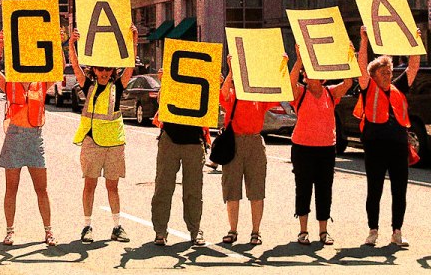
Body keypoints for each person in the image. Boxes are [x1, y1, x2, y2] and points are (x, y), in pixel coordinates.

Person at [68, 26, 137, 244]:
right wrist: (71, 44)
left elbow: (130, 67)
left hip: (115, 144)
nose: (104, 73)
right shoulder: (87, 84)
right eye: (100, 69)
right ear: (94, 70)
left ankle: (117, 227)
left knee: (112, 186)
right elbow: (76, 66)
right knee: (90, 185)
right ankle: (87, 225)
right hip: (92, 143)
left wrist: (133, 40)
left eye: (108, 69)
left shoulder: (118, 85)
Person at [355, 25, 420, 248]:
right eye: (383, 72)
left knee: (399, 189)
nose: (387, 75)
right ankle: (373, 230)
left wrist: (415, 43)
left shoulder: (398, 87)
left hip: (399, 146)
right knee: (375, 189)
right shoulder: (367, 86)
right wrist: (364, 40)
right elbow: (361, 65)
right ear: (373, 75)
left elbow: (413, 67)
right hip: (375, 146)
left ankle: (397, 231)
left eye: (389, 72)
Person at [0, 31, 55, 247]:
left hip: (35, 139)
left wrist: (59, 42)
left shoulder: (41, 84)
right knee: (11, 188)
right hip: (14, 138)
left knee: (42, 189)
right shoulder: (11, 83)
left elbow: (58, 69)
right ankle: (9, 231)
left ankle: (49, 231)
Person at [288, 47, 353, 246]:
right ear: (305, 76)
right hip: (302, 148)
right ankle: (303, 231)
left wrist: (348, 58)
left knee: (325, 189)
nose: (311, 75)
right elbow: (289, 82)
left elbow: (349, 83)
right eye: (308, 72)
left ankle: (324, 231)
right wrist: (298, 60)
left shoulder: (330, 93)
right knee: (304, 188)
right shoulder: (300, 92)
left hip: (326, 149)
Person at [217, 54, 279, 246]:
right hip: (233, 142)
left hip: (254, 142)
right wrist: (232, 70)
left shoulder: (259, 95)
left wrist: (281, 67)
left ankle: (255, 232)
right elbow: (223, 94)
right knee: (232, 189)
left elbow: (278, 94)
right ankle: (232, 230)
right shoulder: (234, 95)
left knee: (257, 189)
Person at [150, 114, 209, 248]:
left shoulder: (204, 91)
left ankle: (195, 231)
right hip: (169, 138)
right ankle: (160, 231)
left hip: (194, 140)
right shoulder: (169, 90)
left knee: (193, 190)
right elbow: (161, 101)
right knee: (163, 187)